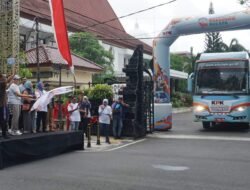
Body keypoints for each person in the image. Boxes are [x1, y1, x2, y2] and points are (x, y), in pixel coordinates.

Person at [0, 68, 17, 138]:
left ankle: (4, 133)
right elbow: (6, 82)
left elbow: (6, 85)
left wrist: (10, 80)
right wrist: (13, 75)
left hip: (3, 104)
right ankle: (4, 134)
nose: (4, 78)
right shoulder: (1, 82)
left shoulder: (2, 83)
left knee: (4, 119)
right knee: (4, 119)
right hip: (2, 104)